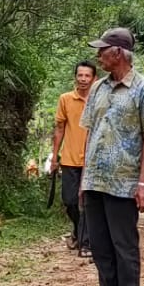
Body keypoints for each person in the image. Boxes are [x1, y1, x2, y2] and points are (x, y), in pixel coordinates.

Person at [79, 27, 144, 286]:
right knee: (99, 244)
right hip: (95, 179)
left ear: (118, 53)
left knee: (123, 242)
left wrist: (143, 182)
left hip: (125, 180)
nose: (98, 55)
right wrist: (84, 178)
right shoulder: (99, 88)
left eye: (103, 50)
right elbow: (90, 133)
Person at [51, 61, 97, 255]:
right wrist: (54, 156)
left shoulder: (98, 100)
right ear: (75, 77)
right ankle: (79, 232)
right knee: (69, 200)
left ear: (94, 79)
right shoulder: (65, 99)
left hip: (92, 161)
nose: (83, 79)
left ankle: (86, 244)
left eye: (87, 76)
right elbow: (60, 128)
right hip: (69, 158)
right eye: (80, 75)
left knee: (88, 203)